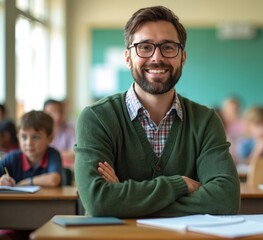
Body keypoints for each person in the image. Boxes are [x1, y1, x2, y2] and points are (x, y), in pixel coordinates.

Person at [74, 6, 240, 218]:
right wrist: (178, 185)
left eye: (168, 47)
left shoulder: (205, 120)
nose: (156, 57)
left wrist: (125, 201)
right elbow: (99, 202)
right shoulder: (97, 118)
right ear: (128, 58)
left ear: (183, 57)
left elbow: (225, 200)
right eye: (144, 47)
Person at [0, 110, 62, 187]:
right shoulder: (11, 158)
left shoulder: (52, 154)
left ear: (50, 138)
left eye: (36, 137)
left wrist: (25, 182)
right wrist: (1, 180)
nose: (29, 143)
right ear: (18, 137)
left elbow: (54, 179)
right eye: (24, 137)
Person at [43, 99, 76, 170]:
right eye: (53, 112)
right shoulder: (41, 132)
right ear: (45, 114)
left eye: (60, 111)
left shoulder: (71, 130)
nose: (58, 116)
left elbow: (75, 153)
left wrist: (50, 154)